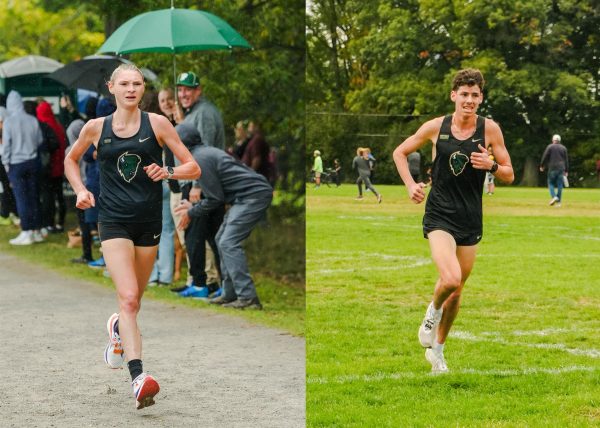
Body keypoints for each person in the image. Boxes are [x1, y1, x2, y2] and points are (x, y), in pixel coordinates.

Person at [64, 64, 200, 409]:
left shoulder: (158, 124)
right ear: (111, 88)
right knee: (127, 298)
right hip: (113, 222)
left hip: (148, 222)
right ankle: (139, 378)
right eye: (124, 83)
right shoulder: (96, 128)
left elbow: (192, 167)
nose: (131, 89)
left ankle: (116, 329)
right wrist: (80, 189)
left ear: (142, 89)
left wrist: (167, 170)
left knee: (134, 302)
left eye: (137, 83)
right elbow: (70, 158)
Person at [392, 68, 514, 373]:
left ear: (481, 98)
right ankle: (431, 313)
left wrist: (492, 165)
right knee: (450, 279)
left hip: (471, 218)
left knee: (458, 292)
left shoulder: (490, 130)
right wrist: (410, 185)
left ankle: (439, 351)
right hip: (439, 215)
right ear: (454, 96)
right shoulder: (436, 127)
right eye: (464, 94)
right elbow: (400, 152)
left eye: (475, 95)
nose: (469, 100)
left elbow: (510, 173)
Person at [174, 123, 272, 310]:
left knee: (228, 242)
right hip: (246, 196)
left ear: (182, 144)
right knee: (221, 239)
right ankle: (230, 293)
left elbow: (215, 199)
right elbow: (216, 196)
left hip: (253, 195)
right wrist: (193, 207)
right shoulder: (203, 154)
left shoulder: (199, 159)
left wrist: (191, 211)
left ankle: (248, 297)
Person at [176, 71, 223, 290]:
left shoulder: (204, 113)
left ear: (198, 90)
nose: (183, 94)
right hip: (196, 181)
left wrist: (196, 185)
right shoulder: (193, 112)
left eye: (188, 89)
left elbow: (204, 150)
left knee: (197, 234)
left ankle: (202, 284)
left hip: (201, 183)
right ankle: (205, 283)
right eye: (181, 89)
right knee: (203, 235)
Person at [1, 91, 44, 245]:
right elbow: (39, 140)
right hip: (32, 162)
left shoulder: (9, 122)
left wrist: (6, 164)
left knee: (21, 198)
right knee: (33, 197)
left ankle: (26, 231)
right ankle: (37, 231)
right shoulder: (32, 120)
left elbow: (6, 147)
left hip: (16, 164)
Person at [36, 100, 67, 233]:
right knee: (59, 196)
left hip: (49, 168)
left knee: (48, 196)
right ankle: (60, 222)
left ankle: (49, 223)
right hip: (60, 167)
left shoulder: (43, 126)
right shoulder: (58, 125)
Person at [539, 134, 568, 207]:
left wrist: (542, 165)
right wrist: (566, 170)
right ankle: (559, 203)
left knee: (550, 183)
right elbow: (566, 160)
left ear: (553, 140)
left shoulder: (550, 147)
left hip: (552, 168)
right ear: (559, 140)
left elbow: (545, 156)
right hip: (561, 168)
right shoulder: (563, 148)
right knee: (560, 185)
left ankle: (554, 196)